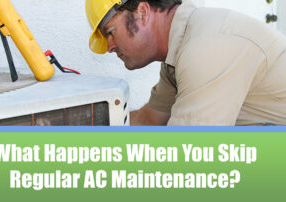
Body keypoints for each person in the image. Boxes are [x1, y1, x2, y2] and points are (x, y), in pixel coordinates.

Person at [85, 0, 286, 126]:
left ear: (142, 12)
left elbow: (191, 157)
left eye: (110, 32)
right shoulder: (177, 54)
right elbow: (151, 120)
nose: (109, 47)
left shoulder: (205, 47)